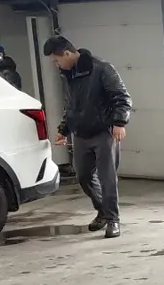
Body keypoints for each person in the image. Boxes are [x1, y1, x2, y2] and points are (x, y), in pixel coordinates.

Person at [43, 35, 132, 239]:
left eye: (56, 60)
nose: (56, 65)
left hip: (104, 132)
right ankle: (103, 211)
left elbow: (121, 96)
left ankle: (113, 220)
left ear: (67, 53)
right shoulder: (68, 74)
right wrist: (64, 129)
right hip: (81, 134)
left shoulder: (101, 68)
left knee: (107, 178)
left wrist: (119, 123)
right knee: (83, 176)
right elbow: (71, 105)